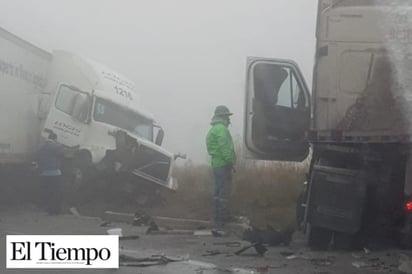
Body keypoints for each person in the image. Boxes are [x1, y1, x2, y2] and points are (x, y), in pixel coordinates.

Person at [206, 105, 236, 233]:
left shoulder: (213, 130)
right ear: (223, 117)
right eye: (227, 116)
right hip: (223, 165)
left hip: (217, 164)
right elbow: (225, 148)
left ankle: (218, 219)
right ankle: (221, 221)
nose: (229, 120)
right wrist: (230, 162)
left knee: (218, 193)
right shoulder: (221, 130)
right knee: (223, 193)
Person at [37, 132, 64, 215]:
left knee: (47, 192)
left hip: (44, 173)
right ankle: (55, 210)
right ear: (55, 139)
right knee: (56, 193)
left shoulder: (41, 147)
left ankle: (48, 209)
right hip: (55, 173)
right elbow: (62, 153)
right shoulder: (56, 146)